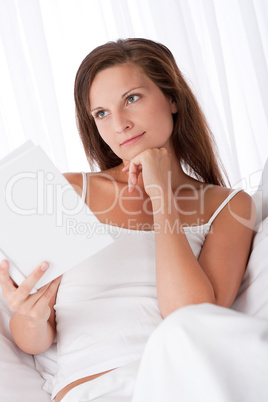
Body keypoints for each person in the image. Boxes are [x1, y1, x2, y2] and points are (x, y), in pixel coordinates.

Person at [0, 38, 256, 401]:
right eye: (101, 113)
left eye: (132, 98)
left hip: (180, 381)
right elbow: (34, 340)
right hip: (91, 389)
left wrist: (162, 195)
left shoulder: (229, 206)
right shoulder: (69, 192)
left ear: (173, 99)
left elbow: (192, 318)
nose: (119, 124)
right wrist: (30, 316)